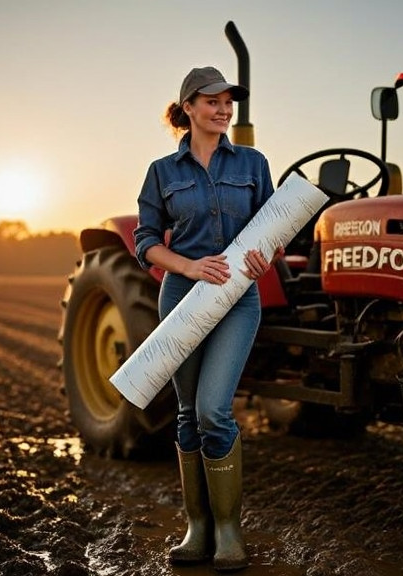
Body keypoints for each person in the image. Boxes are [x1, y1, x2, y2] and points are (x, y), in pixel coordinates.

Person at [134, 66, 282, 572]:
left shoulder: (254, 162)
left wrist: (268, 255)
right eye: (212, 102)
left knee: (214, 409)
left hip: (238, 296)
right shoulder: (162, 172)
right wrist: (189, 266)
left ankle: (227, 529)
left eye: (228, 102)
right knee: (186, 412)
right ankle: (197, 527)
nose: (223, 110)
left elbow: (274, 226)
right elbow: (145, 241)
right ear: (189, 109)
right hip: (181, 296)